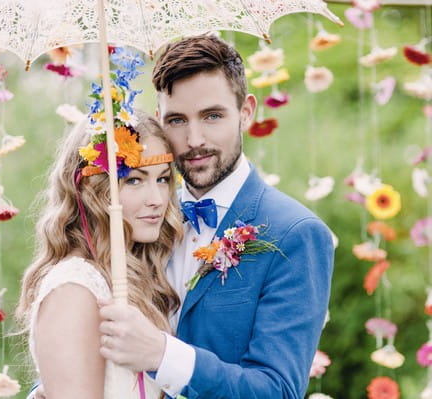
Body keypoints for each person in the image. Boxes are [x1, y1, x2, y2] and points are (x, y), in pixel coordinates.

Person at [97, 34, 335, 399]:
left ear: (246, 111)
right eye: (177, 120)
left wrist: (161, 355)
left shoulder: (296, 234)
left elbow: (278, 390)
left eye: (212, 116)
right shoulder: (140, 218)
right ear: (159, 120)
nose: (194, 140)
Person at [15, 100, 184, 398]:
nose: (157, 198)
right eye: (134, 180)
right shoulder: (74, 288)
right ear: (94, 189)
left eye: (162, 179)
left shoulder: (134, 277)